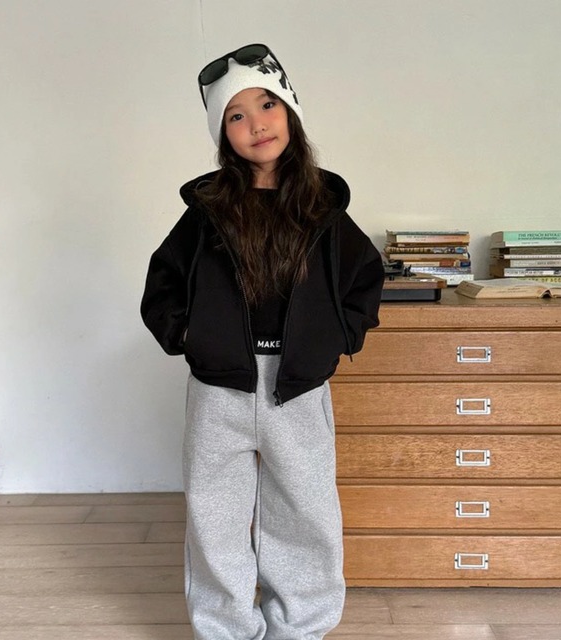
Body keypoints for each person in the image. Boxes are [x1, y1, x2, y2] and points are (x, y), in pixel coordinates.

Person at [141, 43, 384, 640]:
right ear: (223, 134)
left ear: (290, 111)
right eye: (236, 115)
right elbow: (163, 282)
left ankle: (299, 626)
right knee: (215, 514)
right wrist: (191, 337)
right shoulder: (207, 211)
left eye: (267, 104)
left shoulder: (324, 208)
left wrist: (337, 338)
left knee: (305, 510)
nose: (256, 123)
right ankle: (225, 628)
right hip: (219, 384)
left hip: (297, 384)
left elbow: (365, 279)